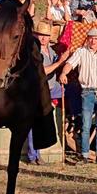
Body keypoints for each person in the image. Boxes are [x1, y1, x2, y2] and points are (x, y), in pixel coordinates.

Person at [59, 26, 97, 163]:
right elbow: (69, 64)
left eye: (96, 39)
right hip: (87, 92)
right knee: (86, 124)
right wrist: (63, 73)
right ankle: (84, 154)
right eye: (91, 38)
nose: (93, 41)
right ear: (88, 39)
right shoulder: (81, 52)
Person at [36, 20, 67, 165]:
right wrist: (60, 62)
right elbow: (43, 71)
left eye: (46, 35)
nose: (43, 38)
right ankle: (33, 155)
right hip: (39, 89)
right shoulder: (36, 51)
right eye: (40, 35)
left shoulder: (51, 50)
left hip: (51, 88)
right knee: (35, 122)